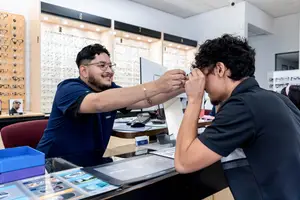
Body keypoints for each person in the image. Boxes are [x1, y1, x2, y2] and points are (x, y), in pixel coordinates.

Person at [175, 34, 300, 200]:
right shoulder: (275, 98)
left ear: (219, 69)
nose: (203, 86)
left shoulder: (242, 106)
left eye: (203, 76)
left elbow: (184, 162)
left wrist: (194, 99)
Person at [37, 44, 186, 166]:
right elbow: (98, 102)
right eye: (102, 65)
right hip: (54, 166)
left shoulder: (111, 90)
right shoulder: (68, 88)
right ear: (84, 70)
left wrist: (180, 88)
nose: (109, 71)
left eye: (110, 66)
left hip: (93, 163)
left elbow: (147, 101)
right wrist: (158, 84)